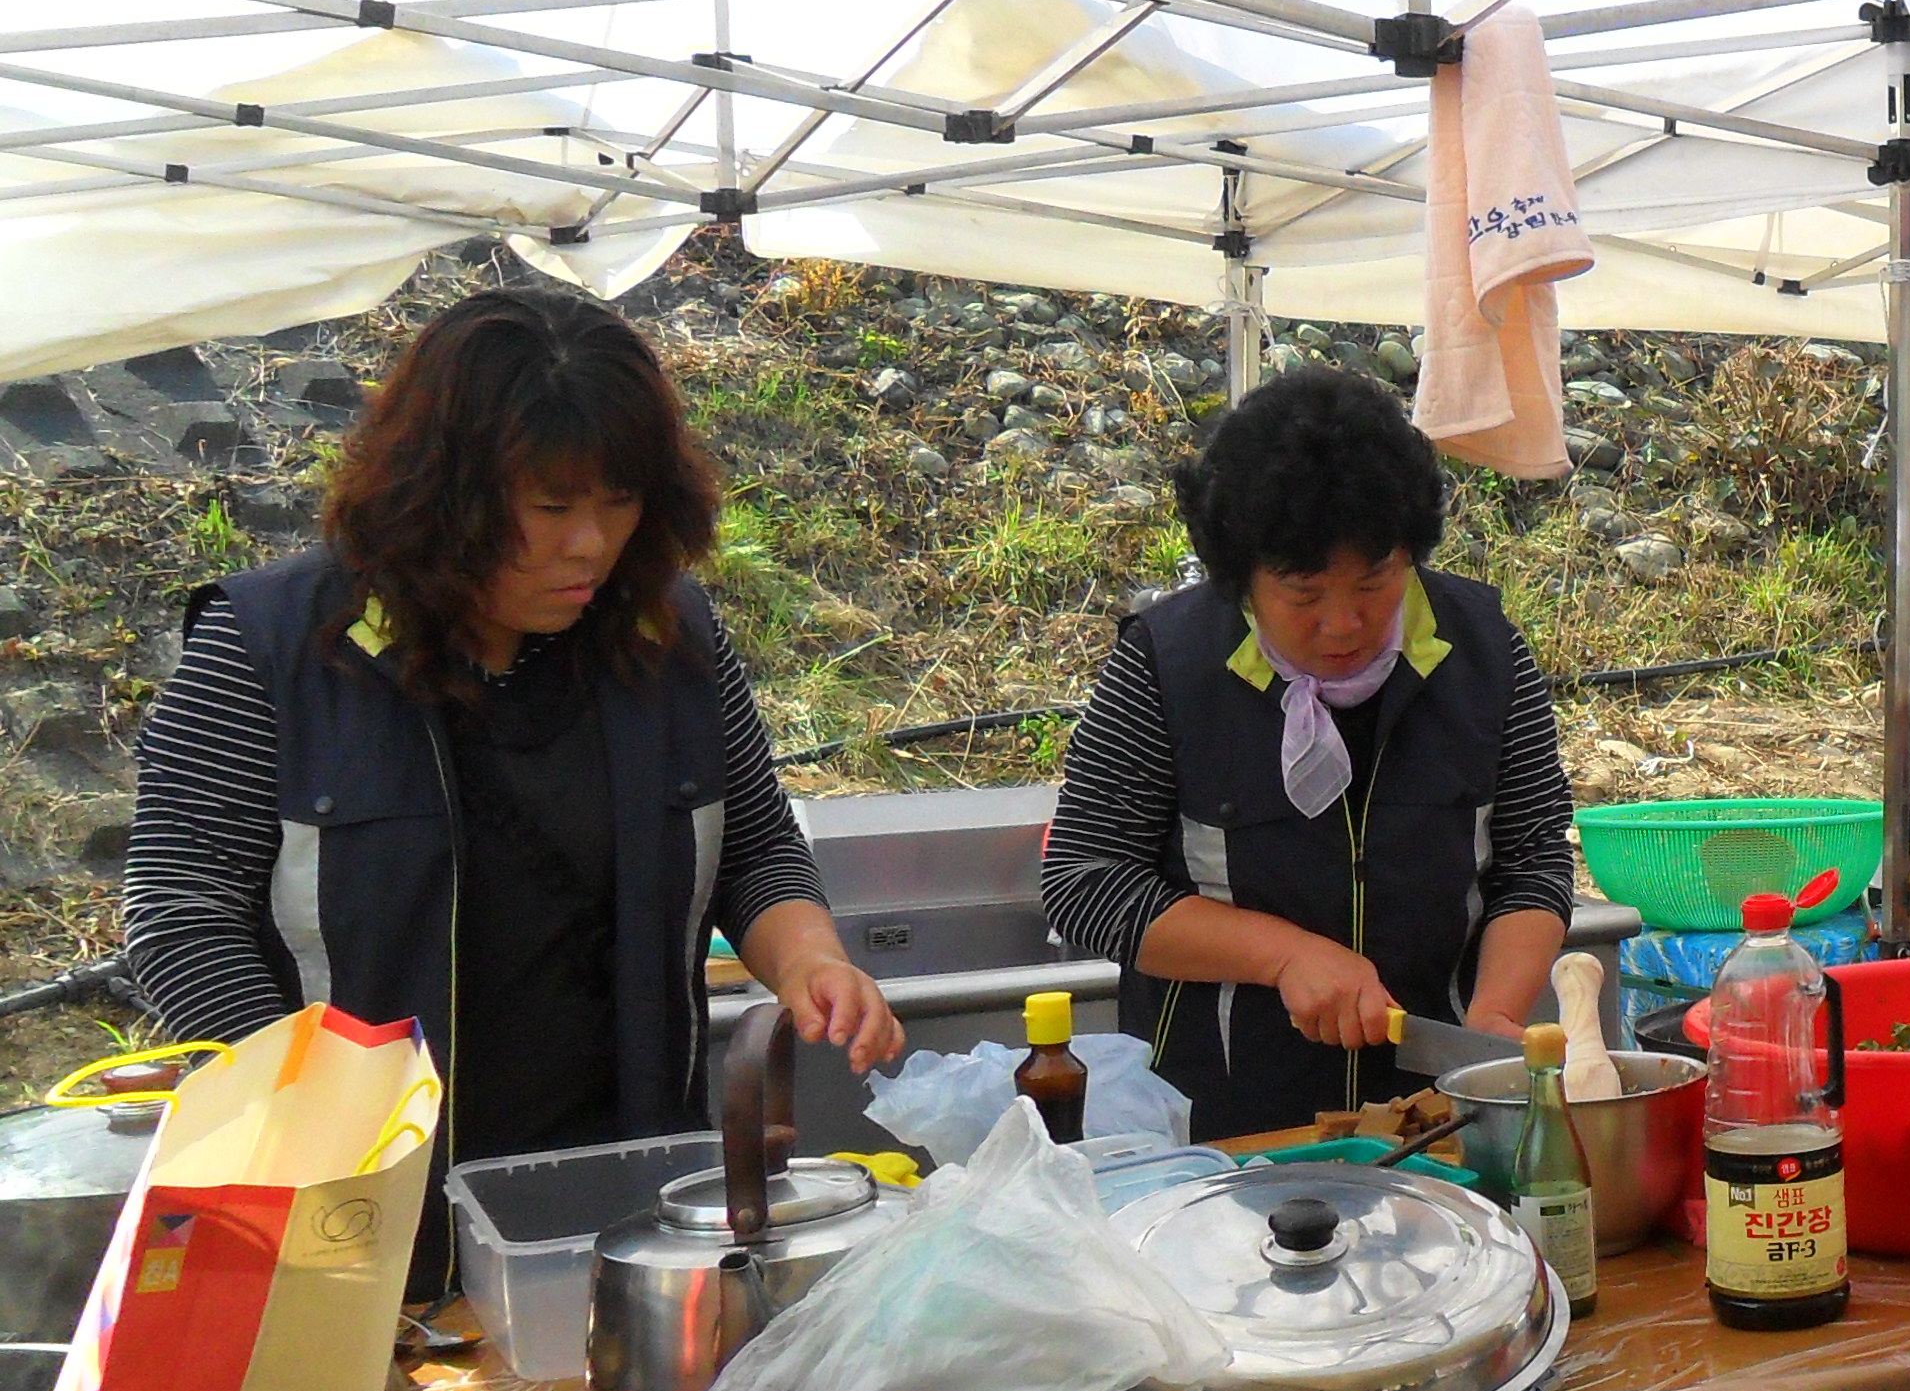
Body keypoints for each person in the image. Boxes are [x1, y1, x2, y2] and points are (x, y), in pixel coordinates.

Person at [124, 289, 898, 1294]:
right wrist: (302, 1117)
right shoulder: (271, 648)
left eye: (619, 502)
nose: (591, 545)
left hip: (628, 1197)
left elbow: (753, 847)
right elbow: (180, 916)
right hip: (352, 1212)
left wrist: (811, 960)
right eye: (552, 508)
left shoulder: (666, 636)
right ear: (440, 496)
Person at [1041, 367, 1577, 1144]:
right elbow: (1086, 880)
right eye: (1303, 594)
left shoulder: (1486, 653)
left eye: (1375, 581)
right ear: (1242, 577)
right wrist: (1282, 956)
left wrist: (1495, 1011)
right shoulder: (1168, 664)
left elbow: (1532, 861)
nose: (1343, 623)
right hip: (1222, 1135)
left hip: (1434, 1125)